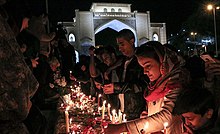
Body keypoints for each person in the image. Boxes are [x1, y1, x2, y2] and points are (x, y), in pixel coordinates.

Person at [104, 41, 190, 134]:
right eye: (142, 67)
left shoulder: (176, 82)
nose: (145, 72)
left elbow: (168, 116)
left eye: (148, 65)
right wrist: (147, 114)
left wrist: (124, 127)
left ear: (162, 62)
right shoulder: (156, 84)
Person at [0, 0, 39, 133]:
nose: (27, 25)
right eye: (26, 20)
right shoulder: (3, 33)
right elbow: (12, 70)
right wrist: (22, 105)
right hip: (8, 113)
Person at [103, 29, 148, 120]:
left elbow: (142, 85)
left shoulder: (141, 61)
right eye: (118, 45)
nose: (119, 48)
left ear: (132, 41)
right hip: (123, 109)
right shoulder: (123, 61)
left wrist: (116, 87)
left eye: (122, 44)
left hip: (136, 112)